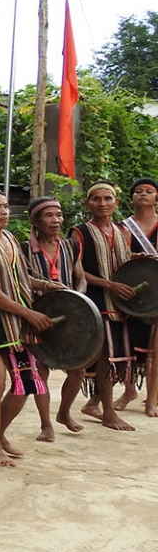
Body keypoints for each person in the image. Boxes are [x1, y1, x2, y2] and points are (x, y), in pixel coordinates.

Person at [0, 185, 60, 467]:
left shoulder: (9, 239)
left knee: (27, 384)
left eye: (5, 206)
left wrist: (48, 285)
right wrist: (28, 313)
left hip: (16, 323)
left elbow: (23, 277)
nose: (4, 212)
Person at [70, 181, 136, 430]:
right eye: (96, 199)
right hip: (96, 301)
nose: (102, 203)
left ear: (116, 203)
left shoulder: (123, 231)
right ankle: (108, 412)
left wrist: (136, 261)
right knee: (105, 357)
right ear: (87, 203)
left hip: (120, 303)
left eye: (108, 198)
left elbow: (125, 262)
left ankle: (96, 404)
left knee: (114, 355)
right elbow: (78, 272)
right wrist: (109, 285)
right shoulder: (79, 232)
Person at [26, 197, 88, 438]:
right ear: (36, 221)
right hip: (38, 314)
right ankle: (45, 424)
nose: (56, 220)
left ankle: (63, 412)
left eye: (59, 215)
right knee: (41, 369)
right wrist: (44, 287)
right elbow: (20, 279)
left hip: (70, 314)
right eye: (49, 216)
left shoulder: (71, 246)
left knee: (78, 368)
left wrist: (77, 297)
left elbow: (80, 277)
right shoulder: (23, 249)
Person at [122, 177, 158, 415]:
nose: (143, 194)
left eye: (149, 191)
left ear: (156, 198)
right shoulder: (123, 227)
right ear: (131, 198)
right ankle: (129, 390)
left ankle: (152, 399)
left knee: (156, 349)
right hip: (132, 291)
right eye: (138, 191)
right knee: (128, 344)